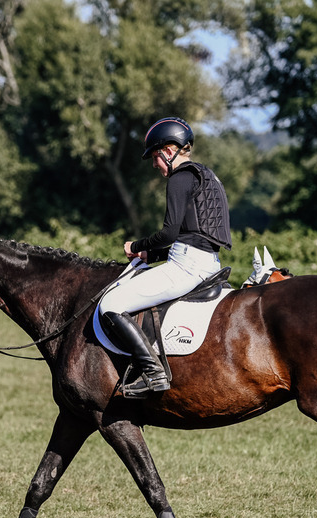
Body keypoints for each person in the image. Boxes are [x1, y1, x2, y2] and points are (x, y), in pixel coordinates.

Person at [99, 116, 232, 397]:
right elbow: (194, 233)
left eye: (155, 158)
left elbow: (169, 233)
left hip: (187, 267)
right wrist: (151, 253)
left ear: (168, 151)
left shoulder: (180, 178)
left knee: (111, 303)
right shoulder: (207, 176)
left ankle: (153, 373)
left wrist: (136, 245)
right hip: (208, 263)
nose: (154, 166)